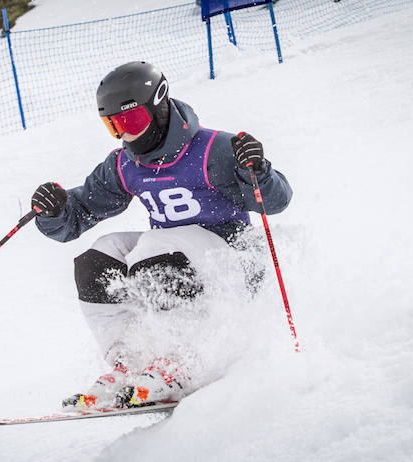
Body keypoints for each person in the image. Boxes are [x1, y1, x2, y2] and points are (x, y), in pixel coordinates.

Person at [29, 61, 292, 409]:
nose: (126, 135)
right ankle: (132, 361)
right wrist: (55, 211)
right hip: (175, 263)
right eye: (113, 126)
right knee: (99, 256)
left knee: (153, 247)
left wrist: (256, 170)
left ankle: (179, 360)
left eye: (131, 121)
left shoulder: (214, 149)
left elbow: (276, 201)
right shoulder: (125, 164)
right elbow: (78, 213)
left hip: (234, 265)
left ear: (160, 103)